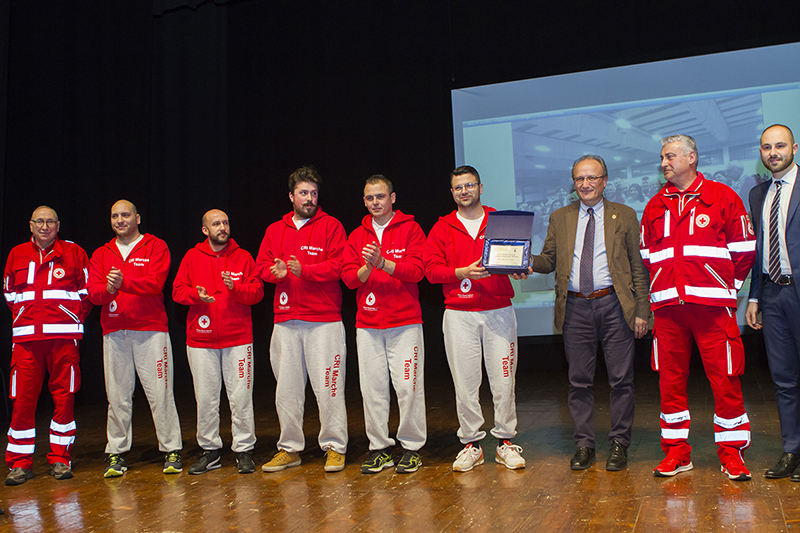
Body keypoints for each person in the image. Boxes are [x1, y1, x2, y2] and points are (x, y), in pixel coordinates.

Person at [523, 155, 650, 471]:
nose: (585, 184)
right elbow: (549, 260)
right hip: (575, 308)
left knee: (621, 380)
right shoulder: (561, 217)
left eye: (591, 178)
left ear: (605, 180)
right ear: (573, 183)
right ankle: (585, 445)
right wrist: (525, 262)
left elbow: (638, 267)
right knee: (578, 381)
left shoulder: (626, 215)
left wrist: (642, 311)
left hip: (615, 306)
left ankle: (619, 443)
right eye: (579, 179)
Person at [640, 134, 756, 480]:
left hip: (712, 310)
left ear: (692, 157)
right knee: (670, 383)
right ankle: (676, 453)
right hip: (668, 311)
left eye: (670, 156)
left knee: (725, 380)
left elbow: (745, 249)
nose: (664, 162)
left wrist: (725, 289)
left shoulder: (722, 196)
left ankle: (732, 454)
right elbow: (648, 256)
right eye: (662, 157)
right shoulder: (654, 205)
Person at [423, 165, 525, 472]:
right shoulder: (442, 227)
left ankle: (505, 442)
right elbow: (429, 270)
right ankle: (471, 444)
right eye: (458, 188)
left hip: (498, 309)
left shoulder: (501, 221)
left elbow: (517, 258)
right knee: (465, 383)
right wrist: (460, 273)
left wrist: (521, 267)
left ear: (480, 188)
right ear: (452, 193)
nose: (464, 192)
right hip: (459, 314)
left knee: (504, 379)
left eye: (469, 186)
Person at [256, 166, 348, 473]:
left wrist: (304, 271)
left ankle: (334, 446)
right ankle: (290, 448)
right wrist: (275, 273)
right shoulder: (274, 230)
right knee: (287, 389)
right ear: (291, 196)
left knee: (329, 387)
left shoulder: (331, 226)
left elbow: (338, 267)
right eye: (303, 193)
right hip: (285, 320)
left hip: (323, 320)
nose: (309, 199)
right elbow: (261, 268)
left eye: (313, 193)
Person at [88, 200, 183, 478]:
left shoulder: (155, 246)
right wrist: (108, 289)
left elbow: (155, 284)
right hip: (115, 331)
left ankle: (172, 449)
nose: (120, 220)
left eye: (125, 215)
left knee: (160, 393)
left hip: (151, 330)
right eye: (115, 216)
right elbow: (94, 294)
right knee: (117, 395)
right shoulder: (101, 253)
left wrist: (122, 283)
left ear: (137, 218)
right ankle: (116, 453)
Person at [342, 175, 427, 474]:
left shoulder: (411, 229)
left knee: (408, 387)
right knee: (373, 389)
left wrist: (384, 263)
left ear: (393, 198)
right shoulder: (356, 236)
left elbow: (417, 272)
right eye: (369, 198)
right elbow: (349, 279)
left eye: (380, 196)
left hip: (404, 322)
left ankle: (412, 447)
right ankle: (379, 448)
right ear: (364, 201)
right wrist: (368, 265)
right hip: (367, 324)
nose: (375, 202)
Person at [3, 206, 91, 485]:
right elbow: (9, 292)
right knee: (22, 402)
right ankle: (19, 462)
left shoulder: (74, 253)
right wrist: (24, 318)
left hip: (63, 339)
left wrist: (71, 318)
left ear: (58, 225)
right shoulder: (16, 253)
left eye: (50, 221)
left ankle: (60, 458)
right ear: (30, 225)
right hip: (27, 341)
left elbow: (87, 293)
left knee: (64, 398)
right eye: (39, 221)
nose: (44, 226)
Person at [173, 209, 264, 474]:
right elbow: (178, 292)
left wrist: (236, 289)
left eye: (225, 222)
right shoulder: (192, 257)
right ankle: (210, 450)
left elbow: (257, 292)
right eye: (216, 224)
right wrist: (196, 295)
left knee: (241, 398)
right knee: (206, 398)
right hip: (201, 341)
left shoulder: (244, 257)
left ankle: (244, 449)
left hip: (238, 339)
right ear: (205, 230)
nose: (222, 227)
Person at [745, 124, 800, 481]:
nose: (773, 152)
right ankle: (792, 451)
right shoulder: (757, 193)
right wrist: (753, 296)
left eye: (780, 145)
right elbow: (757, 250)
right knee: (784, 380)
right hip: (772, 295)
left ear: (795, 147)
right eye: (767, 147)